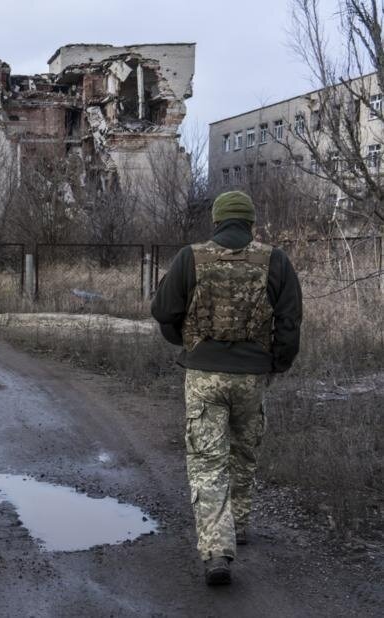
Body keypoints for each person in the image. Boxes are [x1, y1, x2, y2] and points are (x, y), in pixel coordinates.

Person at [151, 190, 302, 586]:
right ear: (251, 223)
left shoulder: (191, 257)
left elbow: (164, 310)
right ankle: (238, 523)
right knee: (243, 451)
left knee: (207, 460)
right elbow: (289, 321)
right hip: (252, 375)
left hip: (203, 375)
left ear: (217, 222)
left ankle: (217, 550)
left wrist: (183, 340)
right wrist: (277, 363)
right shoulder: (276, 260)